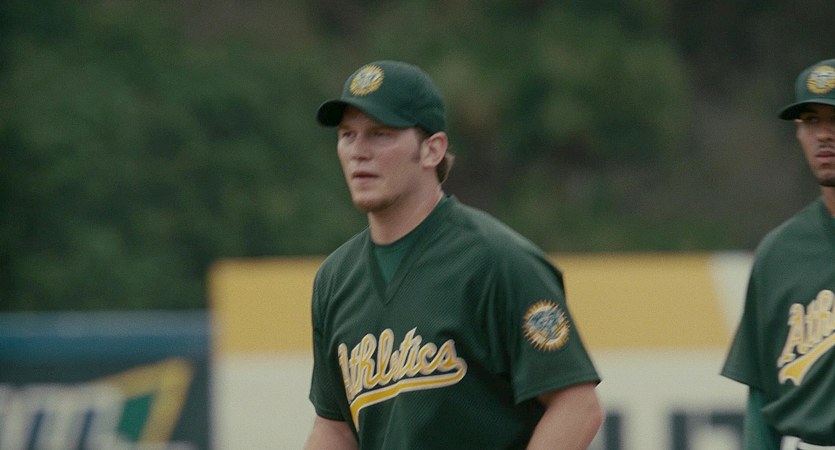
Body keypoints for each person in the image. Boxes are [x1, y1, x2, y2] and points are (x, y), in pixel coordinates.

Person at [304, 60, 603, 449]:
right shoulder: (335, 279)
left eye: (380, 134)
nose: (359, 151)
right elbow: (334, 427)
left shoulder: (496, 261)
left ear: (432, 150)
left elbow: (577, 407)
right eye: (348, 135)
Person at [722, 58, 835, 450]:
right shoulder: (779, 253)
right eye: (811, 120)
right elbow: (761, 398)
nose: (824, 134)